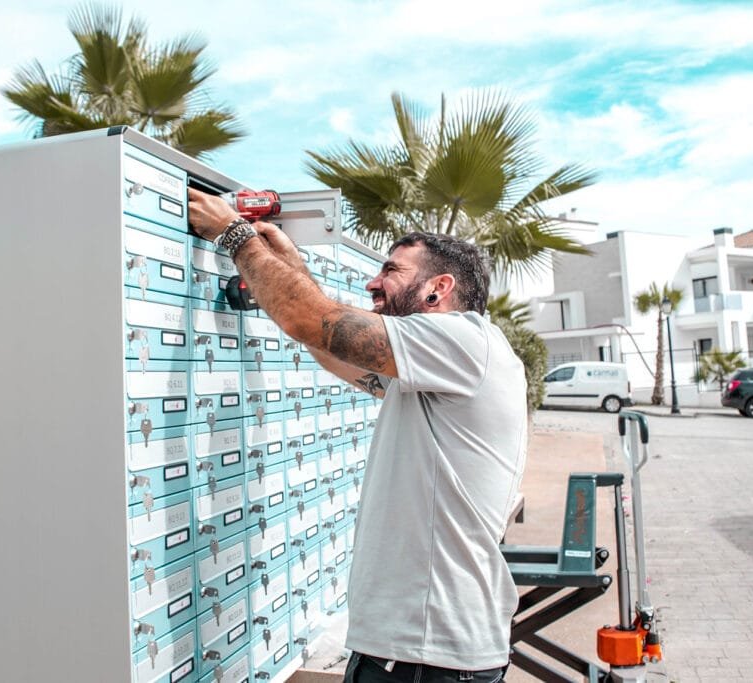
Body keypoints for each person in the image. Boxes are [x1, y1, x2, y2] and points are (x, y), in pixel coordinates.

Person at [187, 189, 528, 683]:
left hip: (428, 658)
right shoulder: (436, 368)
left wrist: (235, 234)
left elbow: (314, 321)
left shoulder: (464, 341)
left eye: (391, 270)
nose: (373, 281)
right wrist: (291, 269)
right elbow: (330, 344)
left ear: (439, 288)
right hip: (415, 652)